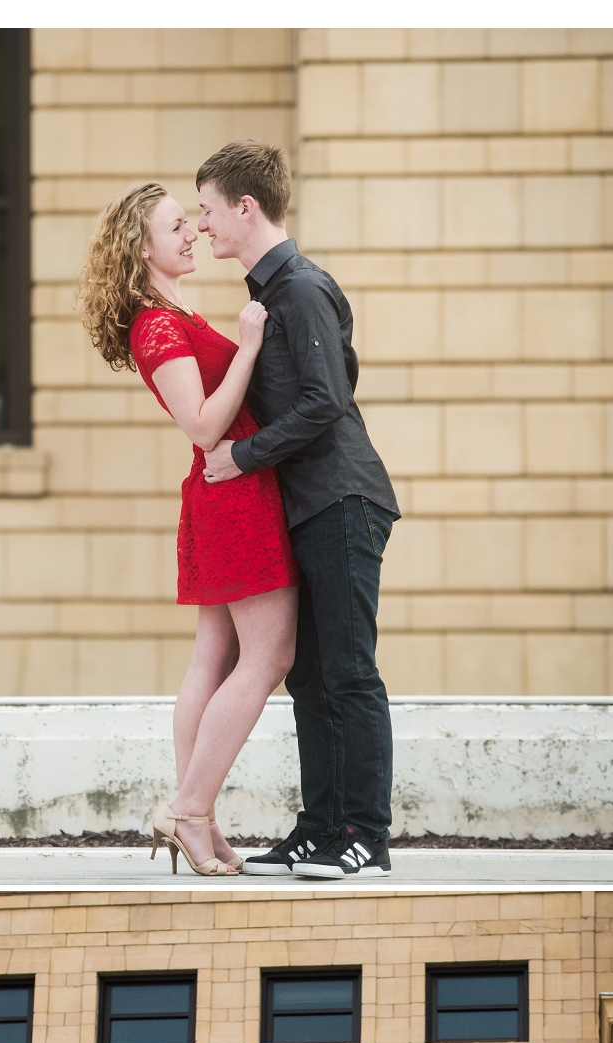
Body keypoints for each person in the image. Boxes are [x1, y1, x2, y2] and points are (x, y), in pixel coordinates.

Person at [77, 181, 299, 877]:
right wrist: (251, 345)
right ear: (143, 246)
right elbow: (203, 427)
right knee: (269, 656)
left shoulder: (177, 312)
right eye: (177, 226)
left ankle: (195, 816)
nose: (193, 233)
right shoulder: (157, 327)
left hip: (231, 493)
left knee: (214, 655)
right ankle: (189, 808)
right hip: (230, 493)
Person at [194, 141, 401, 881]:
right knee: (306, 677)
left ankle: (366, 837)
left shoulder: (301, 288)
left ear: (245, 207)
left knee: (347, 673)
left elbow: (326, 399)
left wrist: (241, 458)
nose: (203, 226)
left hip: (341, 500)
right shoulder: (270, 296)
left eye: (209, 211)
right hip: (308, 506)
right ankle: (319, 828)